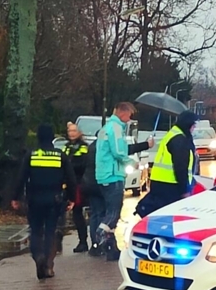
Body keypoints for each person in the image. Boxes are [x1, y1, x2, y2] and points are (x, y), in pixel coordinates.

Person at [12, 124, 77, 280]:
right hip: (55, 200)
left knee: (35, 230)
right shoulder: (60, 155)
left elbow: (20, 177)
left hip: (34, 199)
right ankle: (48, 263)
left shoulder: (31, 155)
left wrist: (15, 197)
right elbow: (71, 179)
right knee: (50, 231)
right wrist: (72, 198)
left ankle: (38, 256)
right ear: (52, 138)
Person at [94, 102, 153, 262]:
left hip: (104, 175)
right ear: (122, 112)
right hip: (113, 175)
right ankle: (100, 234)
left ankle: (111, 249)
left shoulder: (106, 128)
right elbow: (119, 152)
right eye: (129, 115)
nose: (129, 119)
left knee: (110, 210)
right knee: (114, 212)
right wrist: (133, 163)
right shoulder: (116, 128)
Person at [137, 111, 199, 218]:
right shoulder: (180, 139)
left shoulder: (172, 134)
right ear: (187, 124)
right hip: (171, 185)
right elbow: (181, 167)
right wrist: (184, 190)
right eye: (193, 125)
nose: (194, 129)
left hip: (159, 182)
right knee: (171, 218)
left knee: (160, 216)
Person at [62, 122, 91, 253]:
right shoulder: (66, 147)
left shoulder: (84, 147)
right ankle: (57, 242)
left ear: (79, 132)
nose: (72, 133)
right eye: (70, 131)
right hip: (66, 183)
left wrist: (69, 165)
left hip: (78, 183)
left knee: (77, 212)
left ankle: (83, 241)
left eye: (74, 131)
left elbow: (81, 164)